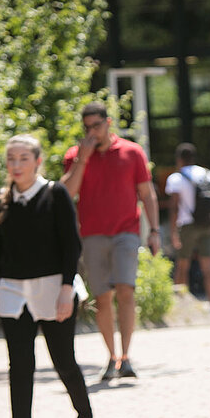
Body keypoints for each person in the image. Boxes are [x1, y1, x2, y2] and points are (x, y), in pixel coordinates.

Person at [0, 135, 96, 418]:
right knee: (20, 368)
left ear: (37, 161)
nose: (16, 165)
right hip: (13, 294)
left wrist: (65, 288)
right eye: (11, 159)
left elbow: (71, 245)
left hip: (53, 288)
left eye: (23, 158)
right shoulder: (0, 201)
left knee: (64, 363)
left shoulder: (55, 194)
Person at [62, 102, 160, 382]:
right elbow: (67, 193)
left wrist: (154, 230)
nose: (93, 132)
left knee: (126, 291)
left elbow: (147, 193)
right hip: (92, 235)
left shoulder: (132, 152)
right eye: (87, 127)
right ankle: (112, 357)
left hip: (126, 232)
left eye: (97, 125)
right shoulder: (76, 155)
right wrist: (83, 158)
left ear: (109, 123)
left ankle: (127, 357)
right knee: (102, 298)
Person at [165, 142, 210, 314]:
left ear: (179, 159)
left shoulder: (176, 178)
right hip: (207, 225)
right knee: (208, 266)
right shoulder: (207, 174)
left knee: (182, 266)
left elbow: (174, 207)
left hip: (187, 225)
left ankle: (182, 308)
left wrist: (173, 232)